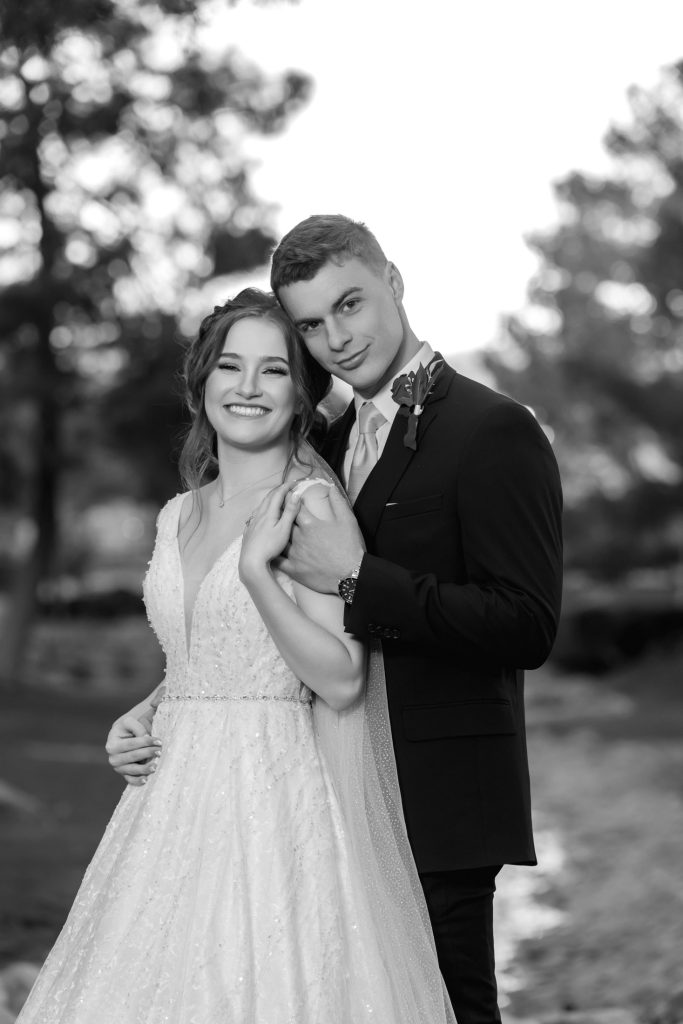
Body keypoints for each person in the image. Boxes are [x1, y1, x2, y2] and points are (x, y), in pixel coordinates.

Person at [16, 289, 455, 1024]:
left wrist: (259, 576)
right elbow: (202, 654)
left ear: (301, 397)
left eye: (273, 371)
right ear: (202, 382)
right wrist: (147, 708)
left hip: (272, 795)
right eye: (230, 366)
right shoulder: (176, 514)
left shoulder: (309, 504)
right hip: (167, 798)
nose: (248, 388)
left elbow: (344, 679)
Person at [268, 215, 564, 1024]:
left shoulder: (493, 428)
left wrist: (362, 579)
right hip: (326, 782)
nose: (336, 337)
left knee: (449, 1011)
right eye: (311, 324)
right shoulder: (317, 441)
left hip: (439, 798)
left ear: (392, 282)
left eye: (350, 304)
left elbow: (526, 623)